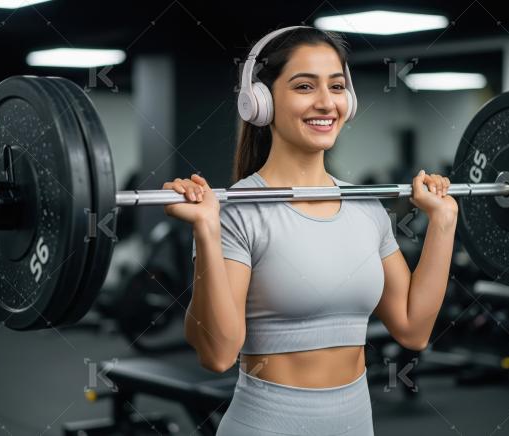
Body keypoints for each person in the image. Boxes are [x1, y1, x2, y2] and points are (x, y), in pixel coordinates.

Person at [163, 26, 457, 436]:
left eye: (336, 87)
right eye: (304, 86)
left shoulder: (365, 205)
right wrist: (207, 231)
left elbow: (413, 328)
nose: (326, 103)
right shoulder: (240, 210)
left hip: (357, 422)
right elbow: (217, 354)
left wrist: (443, 223)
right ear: (260, 102)